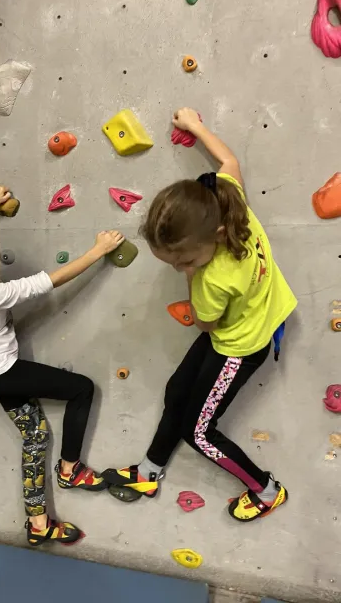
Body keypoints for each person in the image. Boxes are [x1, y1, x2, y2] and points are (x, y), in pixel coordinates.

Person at [103, 108, 297, 522]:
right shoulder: (228, 203)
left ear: (216, 237)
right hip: (252, 316)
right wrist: (195, 127)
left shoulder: (211, 280)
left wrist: (194, 278)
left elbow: (206, 322)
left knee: (198, 432)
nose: (181, 269)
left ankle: (266, 490)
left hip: (239, 345)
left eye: (185, 261)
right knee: (177, 391)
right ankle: (150, 471)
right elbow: (229, 162)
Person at [0, 185, 125, 545]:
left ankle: (38, 523)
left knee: (35, 436)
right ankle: (70, 469)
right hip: (3, 372)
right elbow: (48, 282)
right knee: (82, 389)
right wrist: (98, 250)